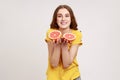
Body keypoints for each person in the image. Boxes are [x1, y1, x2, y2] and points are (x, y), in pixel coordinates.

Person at [45, 4, 82, 80]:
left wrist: (64, 45)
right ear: (56, 19)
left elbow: (66, 64)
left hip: (72, 76)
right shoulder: (50, 33)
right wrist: (57, 45)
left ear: (71, 18)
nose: (63, 19)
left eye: (67, 16)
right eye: (59, 16)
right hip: (54, 77)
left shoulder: (77, 34)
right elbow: (54, 63)